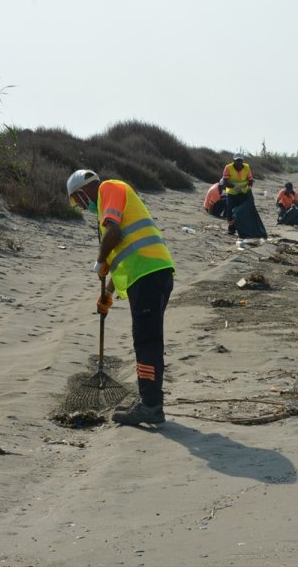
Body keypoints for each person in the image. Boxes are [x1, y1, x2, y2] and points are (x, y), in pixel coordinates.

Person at [66, 169, 175, 425]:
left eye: (75, 200)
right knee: (148, 340)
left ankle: (150, 406)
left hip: (148, 275)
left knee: (146, 342)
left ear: (83, 191)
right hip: (151, 274)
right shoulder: (108, 202)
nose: (80, 207)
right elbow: (124, 251)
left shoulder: (109, 189)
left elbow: (113, 235)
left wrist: (100, 261)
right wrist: (107, 294)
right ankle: (150, 400)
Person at [221, 153, 255, 234]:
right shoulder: (228, 167)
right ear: (234, 161)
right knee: (229, 209)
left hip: (243, 192)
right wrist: (234, 187)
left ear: (242, 161)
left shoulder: (246, 167)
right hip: (232, 192)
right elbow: (225, 182)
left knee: (243, 209)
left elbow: (250, 180)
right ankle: (231, 227)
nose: (239, 162)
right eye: (237, 160)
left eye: (240, 161)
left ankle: (241, 226)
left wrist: (249, 188)